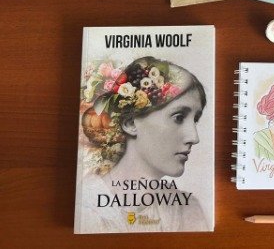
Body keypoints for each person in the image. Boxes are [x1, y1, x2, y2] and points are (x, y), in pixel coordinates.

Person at [79, 56, 209, 232]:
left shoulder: (187, 210)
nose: (194, 137)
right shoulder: (86, 211)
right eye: (179, 117)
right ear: (131, 123)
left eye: (195, 120)